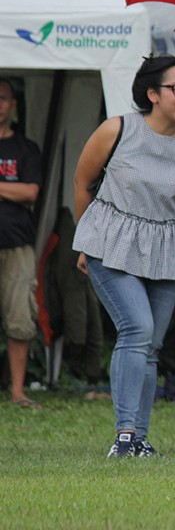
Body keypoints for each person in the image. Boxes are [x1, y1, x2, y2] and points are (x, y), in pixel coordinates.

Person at [72, 55, 175, 457]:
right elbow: (82, 181)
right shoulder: (117, 129)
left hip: (166, 247)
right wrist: (86, 240)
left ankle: (139, 439)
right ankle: (124, 436)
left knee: (151, 345)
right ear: (152, 94)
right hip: (110, 242)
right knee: (137, 329)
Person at [0, 77, 43, 409]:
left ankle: (18, 391)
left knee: (19, 317)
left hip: (16, 243)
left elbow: (30, 192)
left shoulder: (26, 149)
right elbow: (19, 190)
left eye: (2, 98)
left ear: (13, 105)